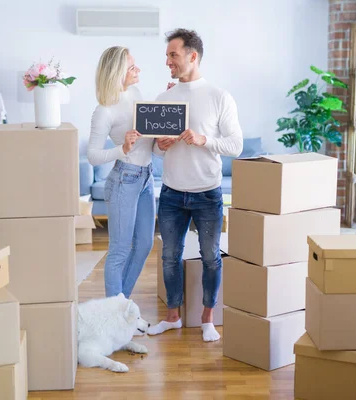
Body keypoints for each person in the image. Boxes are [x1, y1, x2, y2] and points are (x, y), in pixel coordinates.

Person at [147, 29, 243, 342]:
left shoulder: (219, 96)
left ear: (192, 56)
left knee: (211, 257)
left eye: (172, 55)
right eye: (167, 55)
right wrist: (161, 145)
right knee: (169, 257)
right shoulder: (164, 98)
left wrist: (204, 140)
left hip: (207, 193)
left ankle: (207, 319)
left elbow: (236, 146)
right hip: (172, 193)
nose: (167, 61)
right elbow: (154, 150)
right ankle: (173, 317)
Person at [87, 46, 156, 299]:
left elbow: (149, 133)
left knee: (145, 245)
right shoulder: (104, 110)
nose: (138, 70)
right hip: (124, 179)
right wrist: (121, 148)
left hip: (146, 176)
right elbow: (93, 156)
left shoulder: (136, 93)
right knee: (119, 250)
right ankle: (114, 315)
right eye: (132, 67)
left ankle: (121, 308)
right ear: (117, 73)